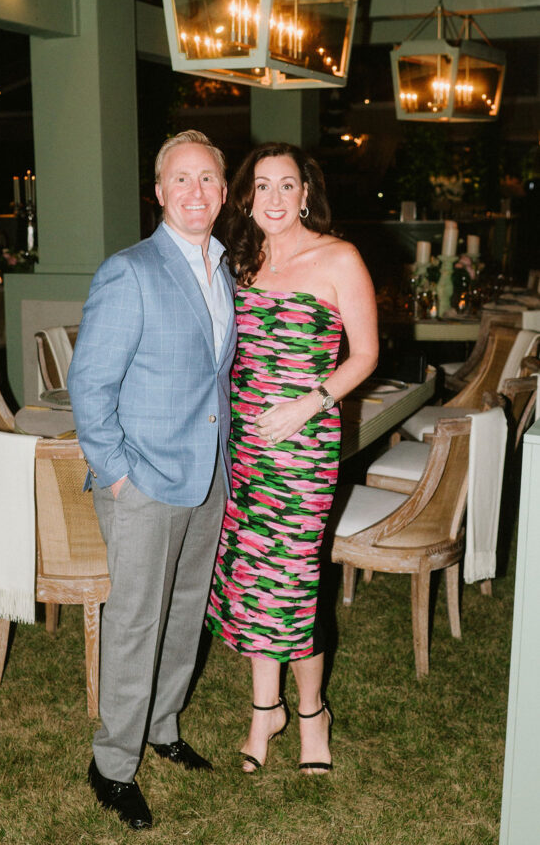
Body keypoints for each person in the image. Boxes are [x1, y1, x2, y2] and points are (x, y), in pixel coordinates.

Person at [68, 130, 237, 831]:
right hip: (142, 479)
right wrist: (115, 475)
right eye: (180, 180)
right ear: (159, 191)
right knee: (136, 621)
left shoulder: (224, 269)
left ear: (224, 193)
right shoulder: (129, 270)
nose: (195, 192)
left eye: (208, 180)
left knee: (186, 608)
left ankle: (162, 725)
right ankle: (112, 764)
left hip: (208, 475)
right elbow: (89, 382)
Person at [205, 141, 378, 775]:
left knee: (294, 583)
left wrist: (307, 404)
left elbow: (364, 356)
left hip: (304, 449)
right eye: (262, 186)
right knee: (252, 579)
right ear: (245, 196)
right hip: (245, 447)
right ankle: (263, 710)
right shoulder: (237, 262)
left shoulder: (339, 258)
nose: (274, 198)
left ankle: (310, 716)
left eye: (287, 186)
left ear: (307, 194)